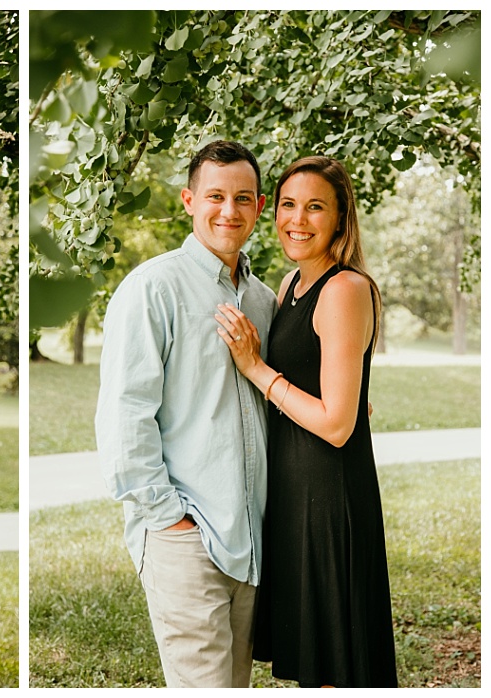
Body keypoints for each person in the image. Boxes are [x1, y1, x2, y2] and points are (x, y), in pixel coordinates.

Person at [95, 139, 276, 688]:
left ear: (260, 207)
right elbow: (125, 416)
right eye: (215, 196)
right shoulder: (152, 288)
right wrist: (169, 519)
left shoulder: (265, 301)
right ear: (188, 201)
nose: (229, 211)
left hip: (251, 538)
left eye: (243, 198)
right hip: (186, 534)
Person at [213, 156, 397, 687]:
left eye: (316, 207)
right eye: (289, 205)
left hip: (330, 497)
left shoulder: (345, 289)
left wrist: (256, 369)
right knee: (313, 664)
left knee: (335, 666)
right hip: (294, 495)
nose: (298, 219)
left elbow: (337, 424)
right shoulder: (292, 282)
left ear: (340, 218)